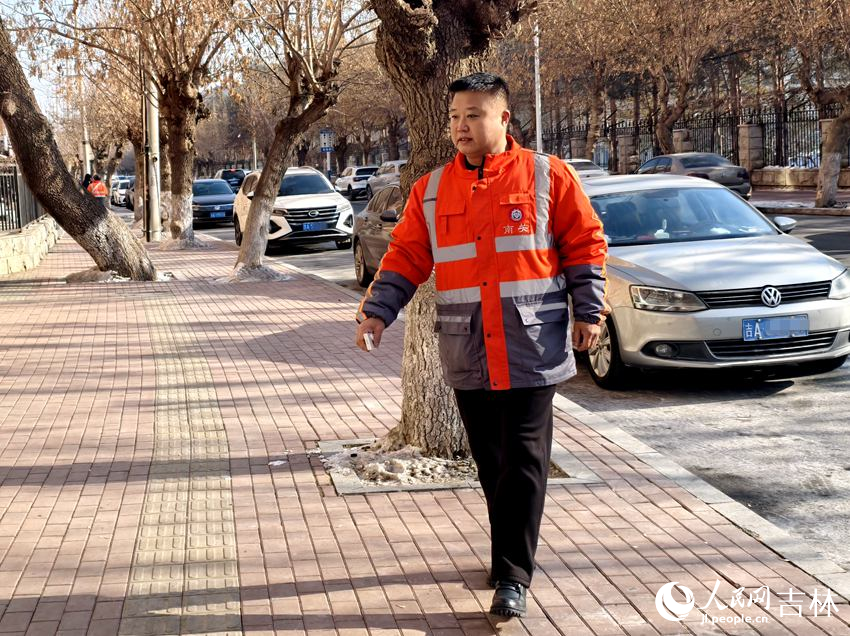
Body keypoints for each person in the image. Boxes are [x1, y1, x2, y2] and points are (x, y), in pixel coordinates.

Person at [354, 73, 608, 618]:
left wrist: (589, 310)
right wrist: (378, 311)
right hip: (467, 349)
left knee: (524, 461)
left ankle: (513, 574)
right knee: (492, 465)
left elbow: (584, 242)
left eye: (472, 115)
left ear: (502, 119)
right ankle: (507, 555)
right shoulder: (431, 189)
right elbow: (405, 258)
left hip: (530, 346)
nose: (461, 126)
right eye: (454, 117)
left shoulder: (547, 176)